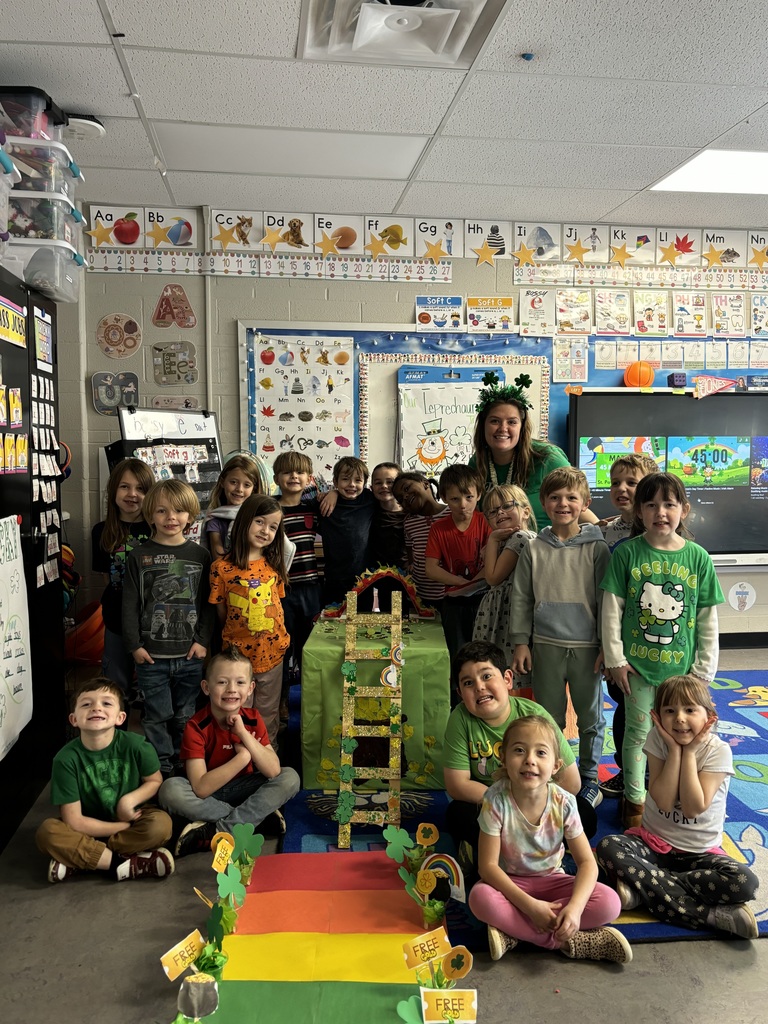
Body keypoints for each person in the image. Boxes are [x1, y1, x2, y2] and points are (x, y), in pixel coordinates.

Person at [600, 473, 724, 828]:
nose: (661, 512)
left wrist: (703, 671)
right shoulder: (627, 553)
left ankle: (677, 795)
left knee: (682, 732)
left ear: (683, 510)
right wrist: (616, 660)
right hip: (637, 669)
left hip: (683, 672)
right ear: (640, 510)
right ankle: (635, 802)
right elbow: (613, 610)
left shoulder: (698, 558)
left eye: (669, 504)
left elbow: (707, 619)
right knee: (637, 735)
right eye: (651, 504)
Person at [597, 675, 759, 938]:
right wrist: (674, 751)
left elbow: (694, 807)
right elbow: (662, 799)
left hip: (700, 856)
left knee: (745, 884)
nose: (680, 718)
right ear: (657, 717)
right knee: (609, 847)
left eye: (690, 710)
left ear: (709, 716)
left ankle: (646, 887)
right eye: (669, 711)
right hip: (653, 845)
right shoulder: (657, 740)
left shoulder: (718, 751)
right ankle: (707, 915)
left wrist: (691, 752)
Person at [468, 714, 631, 964]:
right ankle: (568, 942)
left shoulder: (564, 802)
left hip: (553, 880)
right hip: (512, 884)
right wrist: (531, 907)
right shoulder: (495, 800)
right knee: (480, 898)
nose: (530, 760)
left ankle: (515, 934)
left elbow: (587, 863)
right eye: (519, 750)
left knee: (610, 902)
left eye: (541, 753)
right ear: (504, 757)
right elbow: (487, 867)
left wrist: (574, 910)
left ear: (556, 765)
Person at [442, 641, 597, 873]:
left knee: (586, 814)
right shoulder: (460, 719)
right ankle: (516, 853)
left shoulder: (534, 715)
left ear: (507, 679)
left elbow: (571, 783)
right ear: (460, 694)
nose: (479, 687)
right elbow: (457, 785)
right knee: (456, 814)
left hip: (536, 805)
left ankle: (515, 853)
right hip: (491, 807)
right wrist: (506, 803)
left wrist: (528, 802)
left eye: (486, 676)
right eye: (468, 683)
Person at [511, 467, 609, 808]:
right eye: (555, 497)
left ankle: (590, 777)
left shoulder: (597, 548)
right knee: (547, 717)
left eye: (571, 497)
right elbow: (521, 597)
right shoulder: (534, 547)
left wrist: (606, 647)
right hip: (546, 646)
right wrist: (521, 641)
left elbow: (606, 600)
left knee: (590, 717)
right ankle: (551, 776)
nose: (563, 503)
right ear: (543, 502)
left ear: (585, 503)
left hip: (587, 648)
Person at [159, 646, 300, 855]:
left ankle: (218, 829)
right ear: (206, 687)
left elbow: (272, 770)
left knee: (290, 777)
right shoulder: (196, 726)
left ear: (251, 688)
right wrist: (243, 757)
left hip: (245, 789)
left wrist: (243, 733)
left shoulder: (252, 718)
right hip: (210, 796)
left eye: (240, 682)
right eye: (222, 682)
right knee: (170, 789)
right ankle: (254, 819)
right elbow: (200, 788)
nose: (231, 689)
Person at [35, 679, 175, 883]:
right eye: (86, 704)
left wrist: (128, 801)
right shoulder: (65, 759)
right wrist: (122, 829)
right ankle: (125, 864)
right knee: (47, 833)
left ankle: (82, 859)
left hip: (131, 818)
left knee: (161, 825)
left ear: (120, 717)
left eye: (106, 703)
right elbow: (74, 821)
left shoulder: (137, 745)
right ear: (73, 719)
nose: (96, 708)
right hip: (89, 826)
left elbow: (154, 781)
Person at [122, 479, 215, 777]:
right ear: (150, 516)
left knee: (186, 714)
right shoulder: (138, 556)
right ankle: (160, 767)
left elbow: (208, 604)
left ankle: (184, 761)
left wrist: (202, 640)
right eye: (162, 511)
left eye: (178, 511)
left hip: (190, 655)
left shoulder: (201, 556)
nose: (170, 518)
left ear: (190, 515)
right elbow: (130, 605)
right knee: (157, 715)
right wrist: (134, 645)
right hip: (152, 656)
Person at [597, 453, 659, 799]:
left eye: (631, 482)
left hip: (655, 637)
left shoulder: (661, 529)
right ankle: (627, 769)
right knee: (624, 703)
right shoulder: (606, 531)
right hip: (619, 640)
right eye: (615, 482)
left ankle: (655, 771)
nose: (621, 488)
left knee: (658, 709)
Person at [469, 371, 598, 529]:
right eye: (495, 421)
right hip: (498, 549)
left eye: (512, 422)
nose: (503, 428)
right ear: (483, 425)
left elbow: (576, 503)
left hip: (547, 549)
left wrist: (603, 533)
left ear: (522, 427)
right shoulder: (478, 462)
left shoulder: (547, 457)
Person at [209, 494, 289, 746]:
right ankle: (239, 763)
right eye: (260, 522)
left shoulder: (275, 565)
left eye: (273, 527)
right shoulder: (221, 568)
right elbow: (222, 614)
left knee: (268, 713)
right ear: (244, 522)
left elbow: (276, 608)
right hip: (237, 659)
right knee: (237, 715)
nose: (266, 531)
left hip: (273, 655)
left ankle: (268, 758)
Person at [91, 458, 154, 697]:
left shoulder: (156, 530)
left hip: (150, 622)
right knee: (116, 686)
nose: (132, 494)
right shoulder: (101, 531)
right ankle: (115, 731)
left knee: (151, 687)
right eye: (125, 486)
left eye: (140, 488)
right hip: (116, 620)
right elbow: (107, 579)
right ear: (113, 489)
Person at [425, 464, 491, 667]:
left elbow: (494, 562)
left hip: (485, 599)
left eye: (469, 497)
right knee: (457, 654)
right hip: (453, 602)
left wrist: (476, 582)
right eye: (455, 499)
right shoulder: (438, 529)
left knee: (484, 652)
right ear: (444, 498)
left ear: (479, 495)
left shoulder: (486, 522)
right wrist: (461, 582)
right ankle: (457, 696)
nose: (463, 504)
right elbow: (431, 568)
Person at [273, 451, 323, 712]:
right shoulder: (269, 508)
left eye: (300, 472)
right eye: (287, 472)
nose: (294, 476)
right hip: (280, 590)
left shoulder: (315, 508)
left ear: (309, 478)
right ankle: (280, 700)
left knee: (310, 647)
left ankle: (310, 700)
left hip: (311, 588)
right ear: (276, 477)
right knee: (281, 647)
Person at [472, 484, 537, 678]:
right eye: (492, 511)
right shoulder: (510, 540)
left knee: (502, 666)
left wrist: (492, 541)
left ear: (525, 512)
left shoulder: (520, 537)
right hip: (501, 611)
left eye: (507, 506)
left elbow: (492, 578)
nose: (500, 512)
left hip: (508, 614)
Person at [205, 453, 296, 568]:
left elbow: (275, 550)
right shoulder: (215, 520)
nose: (239, 489)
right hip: (231, 580)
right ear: (223, 482)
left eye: (247, 485)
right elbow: (218, 559)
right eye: (233, 482)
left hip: (261, 578)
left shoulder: (262, 517)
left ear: (254, 489)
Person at [317, 456, 377, 606]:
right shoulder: (325, 503)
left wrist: (334, 492)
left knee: (362, 625)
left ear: (365, 483)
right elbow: (301, 498)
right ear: (336, 481)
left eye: (358, 480)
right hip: (334, 579)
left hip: (364, 579)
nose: (352, 484)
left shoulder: (370, 500)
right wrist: (333, 493)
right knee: (332, 624)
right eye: (345, 479)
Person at [392, 471, 450, 611]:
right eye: (400, 499)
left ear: (425, 484)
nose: (405, 496)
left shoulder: (453, 513)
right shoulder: (409, 523)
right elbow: (413, 558)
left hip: (451, 595)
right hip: (421, 597)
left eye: (407, 488)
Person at [362, 461, 408, 613]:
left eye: (390, 482)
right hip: (380, 579)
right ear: (371, 487)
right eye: (378, 483)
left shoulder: (411, 512)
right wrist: (333, 493)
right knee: (389, 622)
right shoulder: (368, 508)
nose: (384, 486)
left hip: (407, 578)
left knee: (409, 622)